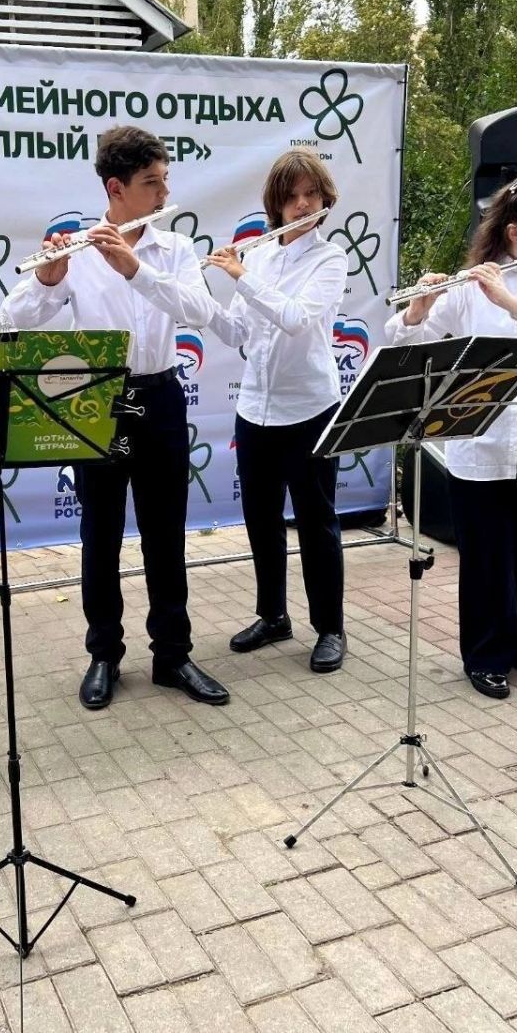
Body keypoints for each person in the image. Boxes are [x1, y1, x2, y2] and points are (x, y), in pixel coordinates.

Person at [0, 125, 228, 710]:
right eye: (152, 182)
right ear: (115, 188)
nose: (164, 192)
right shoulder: (77, 248)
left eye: (165, 180)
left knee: (165, 532)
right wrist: (46, 279)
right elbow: (12, 319)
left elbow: (200, 311)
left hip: (160, 395)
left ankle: (172, 654)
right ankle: (104, 653)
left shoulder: (173, 249)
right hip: (97, 400)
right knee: (99, 535)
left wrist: (135, 269)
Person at [385, 170, 517, 700]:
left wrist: (511, 303)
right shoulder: (472, 283)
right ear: (514, 232)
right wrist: (419, 309)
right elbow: (407, 344)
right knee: (484, 556)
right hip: (479, 439)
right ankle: (485, 654)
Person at [205, 148, 348, 673]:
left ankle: (330, 627)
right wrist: (195, 299)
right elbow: (237, 332)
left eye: (311, 195)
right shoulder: (261, 257)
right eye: (291, 197)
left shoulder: (330, 259)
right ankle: (273, 616)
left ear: (325, 200)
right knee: (261, 520)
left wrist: (241, 276)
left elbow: (295, 318)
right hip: (256, 409)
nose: (302, 205)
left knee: (316, 523)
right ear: (277, 204)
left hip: (309, 408)